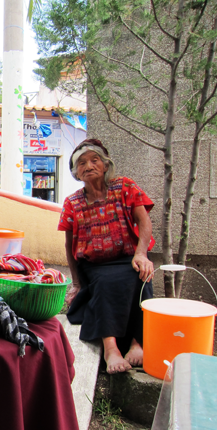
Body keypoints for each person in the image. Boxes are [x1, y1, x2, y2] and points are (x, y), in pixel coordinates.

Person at [58, 139, 155, 375]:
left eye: (94, 160)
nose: (88, 165)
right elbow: (69, 244)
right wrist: (77, 283)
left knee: (141, 276)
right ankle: (111, 348)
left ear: (105, 165)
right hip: (94, 265)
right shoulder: (72, 202)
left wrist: (141, 253)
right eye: (81, 163)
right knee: (104, 282)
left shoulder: (125, 187)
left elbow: (144, 222)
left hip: (128, 257)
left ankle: (137, 342)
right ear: (76, 172)